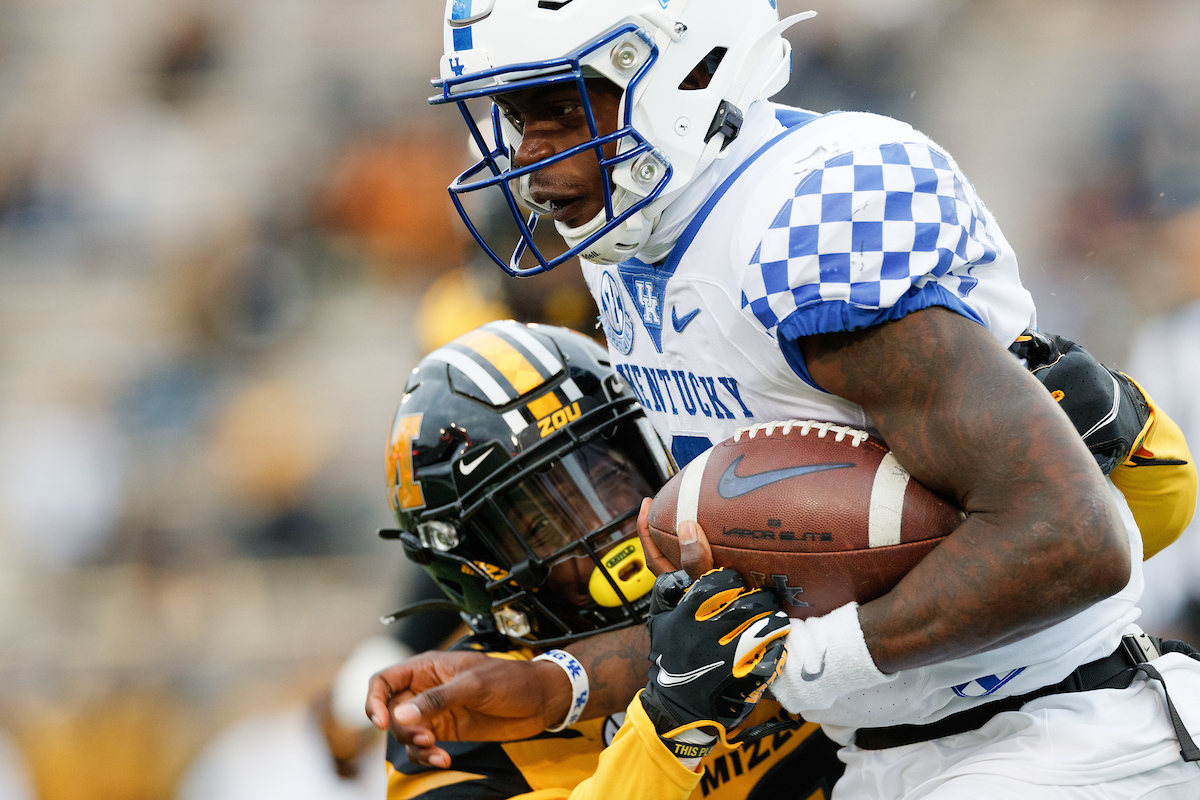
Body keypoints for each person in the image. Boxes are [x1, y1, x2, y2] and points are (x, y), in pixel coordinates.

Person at [373, 3, 1200, 797]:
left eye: (560, 107)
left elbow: (1069, 540)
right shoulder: (630, 250)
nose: (530, 157)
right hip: (889, 760)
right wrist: (560, 685)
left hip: (1061, 737)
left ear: (685, 67)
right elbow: (761, 599)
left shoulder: (802, 214)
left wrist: (803, 665)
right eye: (516, 116)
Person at [376, 319, 843, 799]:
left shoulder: (761, 559)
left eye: (610, 479)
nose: (608, 533)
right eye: (541, 527)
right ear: (478, 569)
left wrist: (558, 686)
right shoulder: (455, 727)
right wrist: (670, 726)